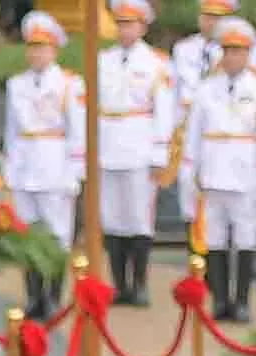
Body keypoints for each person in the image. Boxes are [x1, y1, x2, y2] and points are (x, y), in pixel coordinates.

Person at [97, 0, 184, 300]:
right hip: (108, 146)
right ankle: (119, 285)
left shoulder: (156, 63)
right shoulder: (102, 60)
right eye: (120, 23)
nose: (125, 30)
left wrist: (160, 154)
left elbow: (164, 112)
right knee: (112, 218)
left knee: (138, 219)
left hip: (140, 146)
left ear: (143, 26)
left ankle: (140, 284)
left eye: (130, 24)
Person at [6, 12, 89, 313]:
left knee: (56, 235)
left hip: (55, 166)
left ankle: (52, 297)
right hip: (26, 165)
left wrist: (75, 174)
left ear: (54, 50)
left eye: (42, 47)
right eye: (32, 47)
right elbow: (11, 131)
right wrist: (10, 169)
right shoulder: (16, 84)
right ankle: (33, 296)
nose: (36, 53)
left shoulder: (69, 84)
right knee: (28, 233)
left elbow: (78, 133)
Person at [193, 19, 256, 317]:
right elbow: (193, 134)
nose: (231, 57)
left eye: (238, 51)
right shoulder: (205, 90)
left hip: (245, 174)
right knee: (214, 239)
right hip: (213, 171)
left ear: (248, 54)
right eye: (227, 51)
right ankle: (219, 301)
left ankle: (240, 301)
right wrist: (192, 172)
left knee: (244, 239)